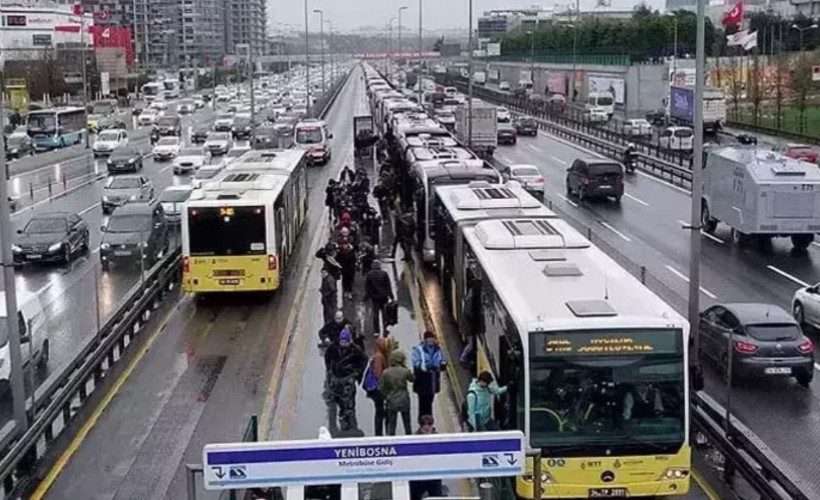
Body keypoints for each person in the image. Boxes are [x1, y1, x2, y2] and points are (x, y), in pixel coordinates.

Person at [324, 328, 367, 432]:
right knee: (337, 397)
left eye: (345, 342)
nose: (343, 343)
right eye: (342, 341)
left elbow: (364, 359)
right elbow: (327, 357)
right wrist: (329, 369)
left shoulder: (355, 349)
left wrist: (358, 372)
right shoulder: (333, 347)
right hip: (336, 377)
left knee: (348, 400)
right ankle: (342, 413)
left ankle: (348, 419)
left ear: (349, 341)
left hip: (348, 378)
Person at [364, 336, 398, 436]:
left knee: (382, 411)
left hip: (379, 389)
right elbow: (378, 374)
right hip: (379, 389)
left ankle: (381, 432)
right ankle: (381, 433)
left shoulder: (381, 355)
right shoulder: (379, 357)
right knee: (382, 411)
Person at [411, 331, 446, 421]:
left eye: (432, 338)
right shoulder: (419, 350)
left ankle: (429, 422)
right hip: (422, 381)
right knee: (422, 403)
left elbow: (442, 360)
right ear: (425, 339)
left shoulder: (438, 349)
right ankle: (422, 422)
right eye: (429, 338)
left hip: (433, 381)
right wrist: (428, 366)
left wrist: (442, 364)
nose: (431, 340)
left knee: (430, 402)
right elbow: (416, 363)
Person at [380, 350, 414, 436]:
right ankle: (409, 439)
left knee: (392, 424)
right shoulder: (405, 371)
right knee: (407, 423)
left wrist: (386, 396)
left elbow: (382, 388)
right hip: (404, 398)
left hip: (391, 399)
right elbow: (412, 379)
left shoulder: (386, 373)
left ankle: (391, 440)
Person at [410, 415, 443, 500]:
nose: (427, 428)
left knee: (436, 496)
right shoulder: (414, 440)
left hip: (434, 475)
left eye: (429, 425)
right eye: (424, 426)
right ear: (421, 427)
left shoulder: (439, 439)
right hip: (419, 476)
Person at [364, 260, 394, 337]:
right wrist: (391, 296)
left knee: (375, 314)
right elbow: (388, 286)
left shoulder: (369, 274)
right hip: (384, 297)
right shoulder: (384, 274)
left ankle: (376, 331)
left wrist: (368, 296)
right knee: (385, 314)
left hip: (375, 298)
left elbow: (367, 287)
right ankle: (385, 329)